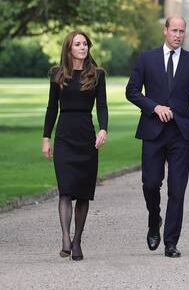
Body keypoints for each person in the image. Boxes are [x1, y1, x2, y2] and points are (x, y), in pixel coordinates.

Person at [126, 16, 189, 258]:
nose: (178, 35)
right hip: (153, 131)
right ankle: (154, 219)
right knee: (150, 184)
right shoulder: (147, 58)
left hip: (180, 134)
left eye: (182, 31)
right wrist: (154, 107)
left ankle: (171, 242)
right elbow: (131, 91)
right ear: (165, 31)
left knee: (177, 190)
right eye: (174, 30)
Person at [42, 31, 108, 261]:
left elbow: (102, 106)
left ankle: (78, 240)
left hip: (86, 135)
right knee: (66, 190)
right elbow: (52, 108)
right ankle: (65, 238)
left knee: (83, 192)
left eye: (85, 44)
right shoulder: (57, 74)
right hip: (64, 136)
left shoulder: (97, 75)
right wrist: (46, 138)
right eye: (78, 44)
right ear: (69, 49)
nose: (83, 47)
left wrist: (103, 129)